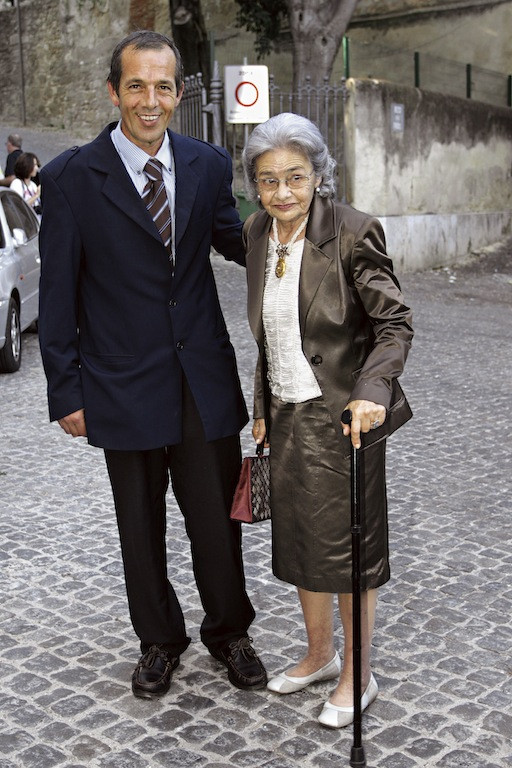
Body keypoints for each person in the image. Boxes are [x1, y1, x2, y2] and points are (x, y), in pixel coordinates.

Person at [38, 30, 267, 700]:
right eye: (136, 85)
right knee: (139, 527)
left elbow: (235, 243)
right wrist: (65, 390)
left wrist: (301, 237)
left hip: (203, 379)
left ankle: (229, 632)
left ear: (177, 93)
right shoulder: (72, 179)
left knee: (216, 522)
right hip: (120, 381)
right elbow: (56, 297)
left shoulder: (203, 163)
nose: (150, 100)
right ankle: (159, 642)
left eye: (163, 86)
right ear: (114, 91)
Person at [241, 113, 413, 728]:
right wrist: (262, 406)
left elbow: (393, 323)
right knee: (298, 542)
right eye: (267, 180)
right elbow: (271, 335)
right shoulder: (257, 231)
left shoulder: (352, 232)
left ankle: (356, 673)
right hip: (285, 415)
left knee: (348, 551)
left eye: (295, 177)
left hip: (345, 419)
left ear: (318, 176)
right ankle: (318, 653)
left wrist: (372, 390)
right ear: (254, 186)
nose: (281, 192)